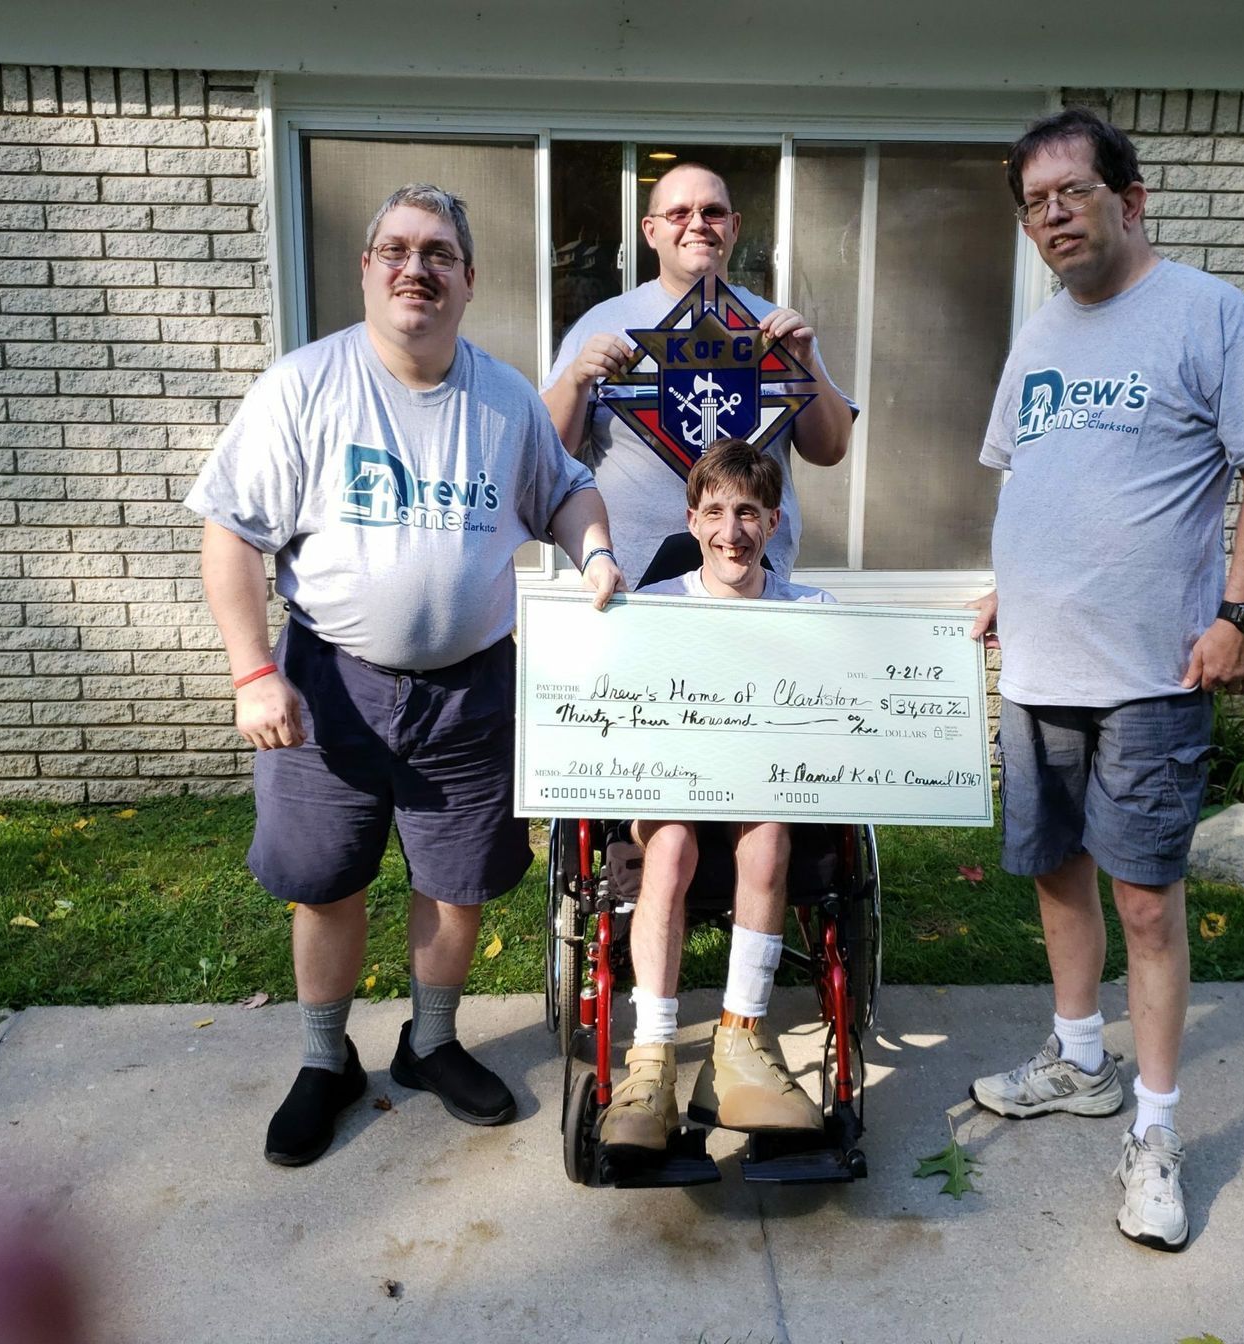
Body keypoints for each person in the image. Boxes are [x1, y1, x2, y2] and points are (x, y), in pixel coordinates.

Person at [186, 184, 623, 1167]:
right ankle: (322, 1058)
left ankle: (430, 1043)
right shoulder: (304, 386)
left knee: (457, 883)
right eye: (394, 249)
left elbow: (569, 492)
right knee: (325, 884)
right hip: (328, 686)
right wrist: (254, 671)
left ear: (469, 279)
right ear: (368, 269)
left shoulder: (504, 396)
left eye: (437, 253)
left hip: (470, 692)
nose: (414, 266)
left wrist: (592, 553)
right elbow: (230, 533)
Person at [965, 108, 1244, 1251]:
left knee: (1147, 902)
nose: (1053, 215)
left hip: (1154, 675)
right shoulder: (1041, 334)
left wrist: (1238, 617)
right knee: (1054, 868)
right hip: (1039, 663)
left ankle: (1154, 1134)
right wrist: (1010, 582)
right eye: (1036, 203)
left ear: (1130, 197)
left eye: (1072, 191)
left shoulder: (1209, 314)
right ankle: (1079, 1057)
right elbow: (1030, 475)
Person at [596, 439, 833, 1158]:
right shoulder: (649, 607)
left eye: (751, 513)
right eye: (718, 513)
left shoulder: (812, 609)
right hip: (673, 784)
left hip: (762, 786)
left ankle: (740, 1040)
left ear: (775, 522)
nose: (734, 531)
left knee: (768, 835)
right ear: (693, 520)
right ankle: (653, 1059)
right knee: (668, 846)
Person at [542, 162, 855, 587]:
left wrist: (806, 365)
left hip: (753, 577)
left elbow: (830, 449)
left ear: (734, 226)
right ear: (651, 231)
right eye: (679, 213)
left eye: (712, 212)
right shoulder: (603, 323)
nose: (698, 225)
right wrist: (577, 378)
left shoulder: (775, 328)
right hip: (632, 581)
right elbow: (548, 454)